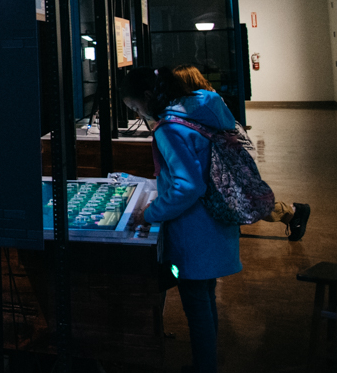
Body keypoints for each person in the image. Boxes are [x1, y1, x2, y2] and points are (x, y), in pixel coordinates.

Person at [122, 66, 241, 373]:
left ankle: (204, 366)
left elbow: (187, 186)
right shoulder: (202, 110)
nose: (138, 114)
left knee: (196, 304)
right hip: (217, 221)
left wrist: (149, 213)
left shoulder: (169, 128)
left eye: (135, 107)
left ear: (147, 96)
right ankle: (207, 362)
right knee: (206, 296)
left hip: (194, 231)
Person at [171, 64, 311, 241]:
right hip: (232, 152)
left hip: (234, 153)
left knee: (244, 200)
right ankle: (289, 213)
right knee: (238, 198)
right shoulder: (205, 97)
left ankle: (292, 213)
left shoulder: (203, 102)